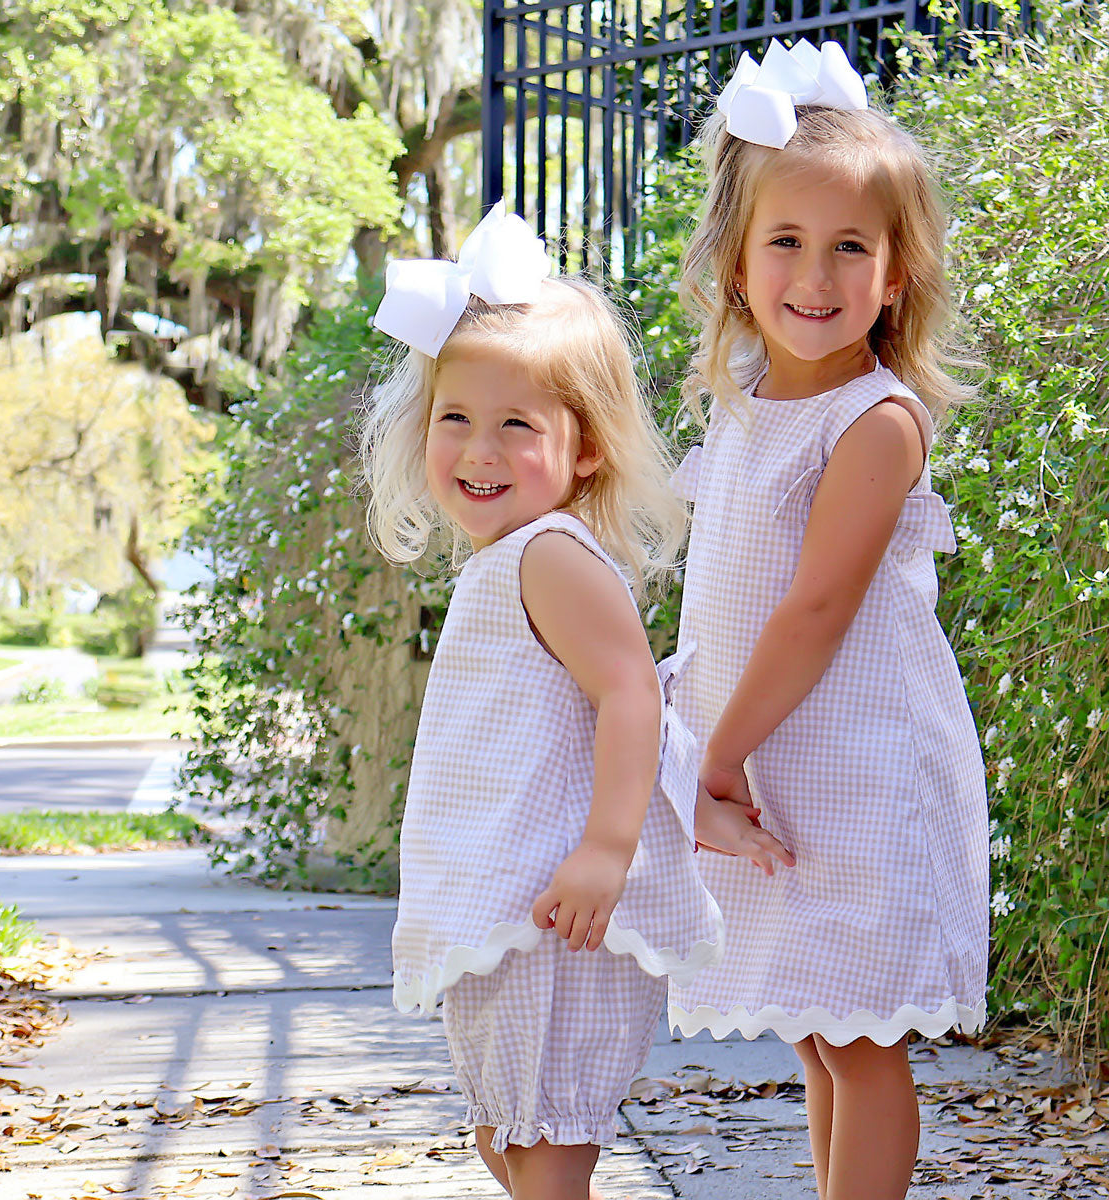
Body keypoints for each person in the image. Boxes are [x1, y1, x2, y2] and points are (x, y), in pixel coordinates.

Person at [357, 203, 746, 1200]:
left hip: (560, 910)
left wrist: (608, 849)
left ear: (586, 449)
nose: (478, 451)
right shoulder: (509, 559)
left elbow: (631, 696)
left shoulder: (550, 556)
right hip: (518, 900)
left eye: (516, 426)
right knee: (512, 1140)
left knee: (543, 1147)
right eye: (456, 418)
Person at [666, 40, 990, 1200]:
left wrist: (714, 759)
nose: (817, 273)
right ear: (737, 262)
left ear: (897, 275)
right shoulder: (747, 405)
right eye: (787, 242)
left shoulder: (875, 423)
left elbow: (813, 610)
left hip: (854, 764)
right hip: (769, 755)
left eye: (852, 246)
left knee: (860, 1038)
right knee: (815, 1025)